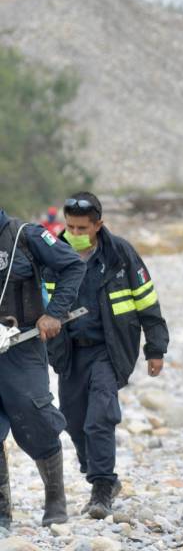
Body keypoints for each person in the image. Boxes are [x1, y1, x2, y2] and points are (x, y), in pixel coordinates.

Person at [43, 192, 169, 520]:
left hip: (109, 350)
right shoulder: (52, 255)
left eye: (82, 227)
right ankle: (101, 474)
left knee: (100, 415)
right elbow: (37, 305)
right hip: (69, 352)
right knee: (72, 418)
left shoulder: (120, 255)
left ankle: (101, 488)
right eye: (69, 226)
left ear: (98, 224)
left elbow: (146, 302)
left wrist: (155, 348)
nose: (75, 232)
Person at [0, 204, 85, 528]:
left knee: (35, 416)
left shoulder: (27, 235)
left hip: (22, 344)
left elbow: (72, 267)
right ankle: (1, 515)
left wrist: (55, 313)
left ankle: (55, 498)